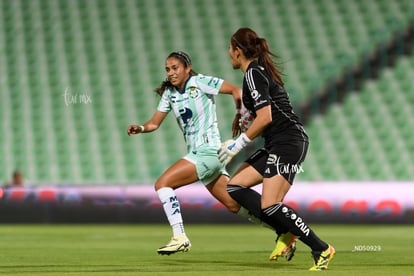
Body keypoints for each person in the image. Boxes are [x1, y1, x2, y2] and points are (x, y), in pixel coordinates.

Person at [127, 51, 296, 257]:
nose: (171, 73)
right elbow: (154, 123)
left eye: (175, 68)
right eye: (168, 69)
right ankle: (283, 231)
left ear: (187, 68)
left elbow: (235, 90)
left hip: (208, 151)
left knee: (163, 184)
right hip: (200, 154)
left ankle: (179, 237)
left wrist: (238, 114)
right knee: (234, 205)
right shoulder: (169, 94)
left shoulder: (200, 82)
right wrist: (141, 128)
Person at [218, 28, 335, 271]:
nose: (229, 54)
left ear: (237, 51)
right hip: (278, 143)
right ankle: (284, 231)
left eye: (230, 49)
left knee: (270, 204)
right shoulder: (256, 73)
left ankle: (321, 248)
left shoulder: (253, 73)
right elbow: (262, 118)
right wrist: (242, 119)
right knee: (235, 186)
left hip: (288, 142)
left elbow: (266, 117)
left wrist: (237, 145)